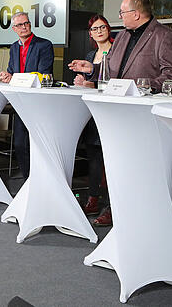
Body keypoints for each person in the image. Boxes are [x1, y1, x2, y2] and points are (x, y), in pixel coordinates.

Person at [68, 14, 113, 225]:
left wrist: (90, 85)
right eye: (95, 29)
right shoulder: (90, 54)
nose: (99, 31)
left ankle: (111, 205)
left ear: (108, 29)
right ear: (91, 34)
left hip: (112, 111)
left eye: (102, 27)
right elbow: (87, 81)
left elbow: (115, 82)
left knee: (111, 158)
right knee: (93, 155)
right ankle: (93, 198)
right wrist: (80, 81)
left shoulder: (117, 52)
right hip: (91, 111)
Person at [0, 12, 54, 178]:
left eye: (26, 23)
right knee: (19, 143)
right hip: (20, 101)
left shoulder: (44, 45)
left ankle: (41, 178)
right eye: (20, 25)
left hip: (38, 101)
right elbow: (11, 70)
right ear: (14, 28)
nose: (24, 27)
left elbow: (43, 73)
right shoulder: (14, 47)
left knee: (37, 143)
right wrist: (6, 76)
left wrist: (14, 77)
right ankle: (28, 177)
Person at [104, 0, 172, 93]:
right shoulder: (121, 36)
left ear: (136, 15)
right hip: (114, 99)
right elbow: (108, 65)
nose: (120, 16)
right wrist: (92, 69)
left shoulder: (165, 35)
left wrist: (146, 87)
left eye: (122, 12)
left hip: (144, 103)